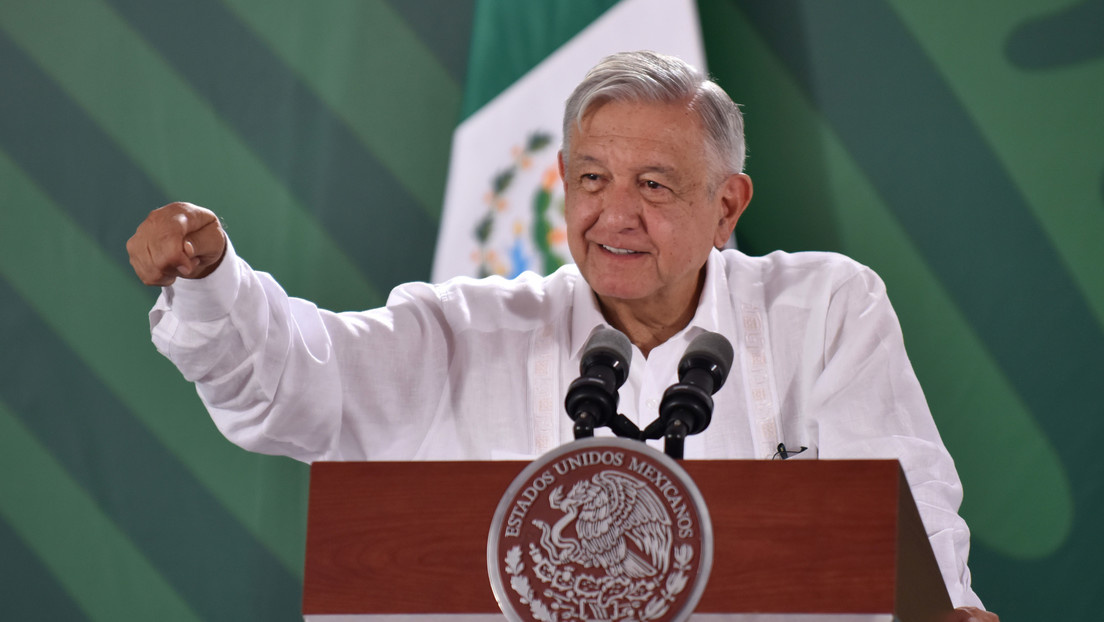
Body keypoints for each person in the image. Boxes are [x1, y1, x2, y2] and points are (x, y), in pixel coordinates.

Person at [127, 51, 997, 620]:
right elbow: (293, 382)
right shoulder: (466, 333)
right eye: (591, 178)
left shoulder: (822, 310)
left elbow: (905, 514)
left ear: (726, 205)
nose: (614, 214)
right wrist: (215, 282)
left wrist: (944, 607)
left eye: (655, 184)